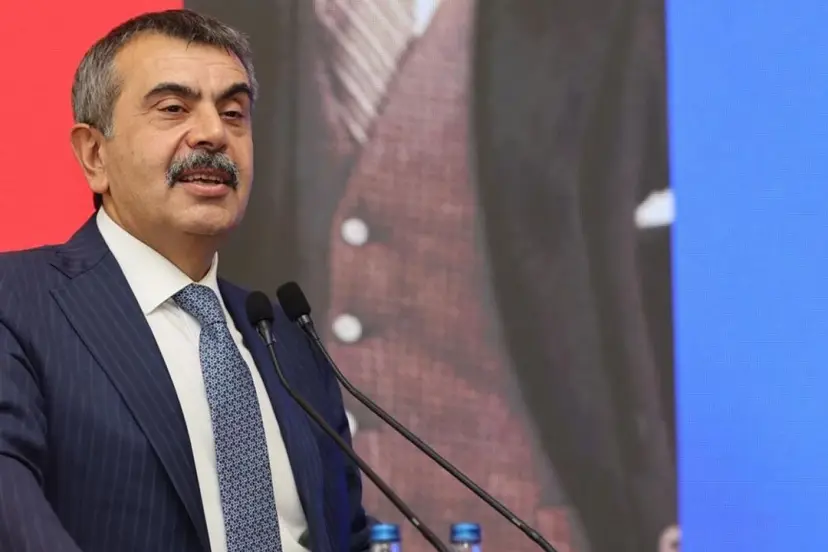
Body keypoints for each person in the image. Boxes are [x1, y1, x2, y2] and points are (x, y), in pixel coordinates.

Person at [0, 9, 372, 552]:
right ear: (94, 154)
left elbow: (349, 535)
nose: (214, 133)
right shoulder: (18, 302)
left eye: (234, 113)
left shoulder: (289, 343)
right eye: (174, 108)